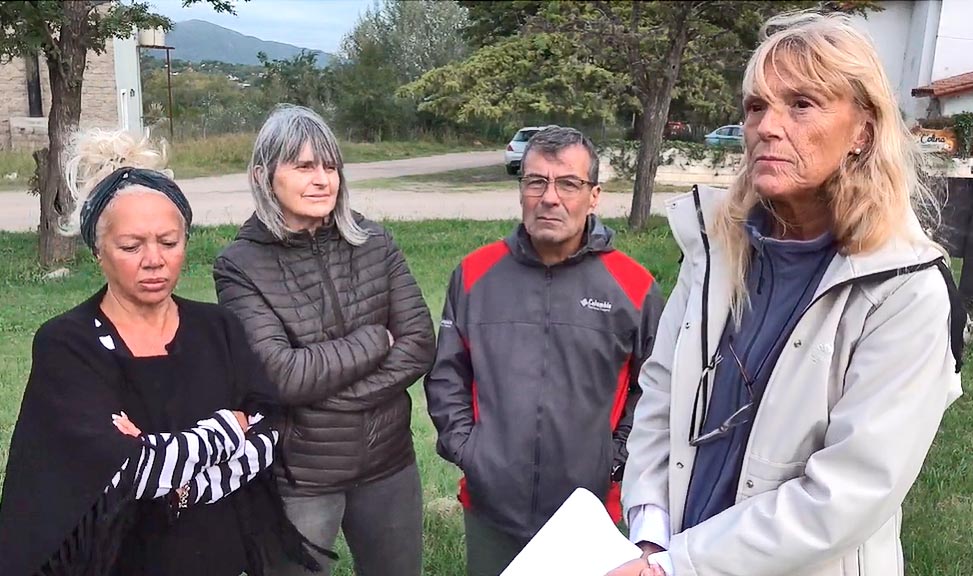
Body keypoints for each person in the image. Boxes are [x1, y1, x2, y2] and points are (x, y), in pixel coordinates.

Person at [610, 12, 967, 576]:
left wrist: (679, 565)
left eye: (801, 104)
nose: (768, 127)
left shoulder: (906, 288)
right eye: (756, 107)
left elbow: (851, 490)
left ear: (863, 132)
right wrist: (651, 534)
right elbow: (660, 394)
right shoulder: (716, 249)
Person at [0, 130, 321, 576]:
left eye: (169, 242)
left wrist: (180, 482)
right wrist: (228, 428)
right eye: (131, 246)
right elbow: (128, 473)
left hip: (220, 554)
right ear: (98, 249)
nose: (154, 260)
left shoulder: (218, 327)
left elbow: (269, 430)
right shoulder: (68, 344)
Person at [424, 126, 665, 576]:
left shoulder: (633, 287)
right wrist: (471, 453)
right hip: (493, 509)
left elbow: (656, 389)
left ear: (594, 196)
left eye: (567, 183)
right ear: (521, 190)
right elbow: (446, 377)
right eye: (536, 181)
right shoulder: (475, 275)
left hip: (590, 513)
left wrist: (614, 460)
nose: (549, 197)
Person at [213, 104, 436, 576]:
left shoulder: (376, 242)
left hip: (389, 464)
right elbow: (282, 376)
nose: (322, 179)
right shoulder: (239, 265)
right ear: (263, 174)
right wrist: (377, 339)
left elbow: (418, 343)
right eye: (304, 165)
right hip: (302, 476)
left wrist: (326, 398)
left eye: (330, 165)